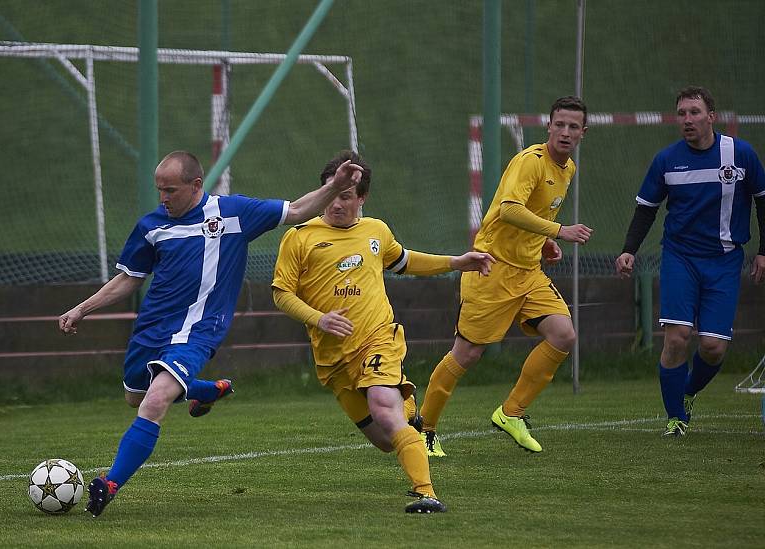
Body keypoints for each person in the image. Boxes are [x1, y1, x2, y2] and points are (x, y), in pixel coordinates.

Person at [58, 150, 364, 517]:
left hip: (199, 331)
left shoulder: (234, 213)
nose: (163, 198)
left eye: (170, 190)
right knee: (133, 396)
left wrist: (335, 186)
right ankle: (207, 389)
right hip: (152, 330)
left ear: (196, 185)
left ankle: (109, 484)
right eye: (159, 190)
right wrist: (81, 309)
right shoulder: (152, 225)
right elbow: (130, 278)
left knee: (153, 403)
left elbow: (296, 211)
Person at [271, 150, 495, 513]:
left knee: (383, 410)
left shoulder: (376, 230)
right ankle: (409, 411)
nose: (337, 202)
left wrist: (456, 262)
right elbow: (281, 293)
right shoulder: (299, 238)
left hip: (378, 339)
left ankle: (427, 493)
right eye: (331, 191)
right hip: (333, 360)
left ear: (362, 198)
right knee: (385, 439)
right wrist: (318, 318)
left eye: (346, 195)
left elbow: (404, 260)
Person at [419, 96, 592, 456]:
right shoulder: (530, 162)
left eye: (573, 126)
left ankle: (511, 412)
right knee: (466, 355)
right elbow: (510, 209)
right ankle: (425, 429)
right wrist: (559, 231)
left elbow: (535, 212)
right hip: (491, 268)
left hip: (528, 272)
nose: (565, 131)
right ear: (548, 127)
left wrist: (544, 242)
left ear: (583, 133)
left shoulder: (567, 169)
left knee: (563, 334)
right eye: (559, 124)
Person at [615, 86, 765, 437]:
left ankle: (688, 392)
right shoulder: (667, 160)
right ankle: (675, 419)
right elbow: (645, 210)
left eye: (694, 112)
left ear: (711, 116)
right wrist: (628, 250)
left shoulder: (740, 154)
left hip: (726, 260)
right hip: (680, 257)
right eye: (681, 114)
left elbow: (763, 201)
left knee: (712, 348)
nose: (687, 120)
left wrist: (763, 251)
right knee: (677, 337)